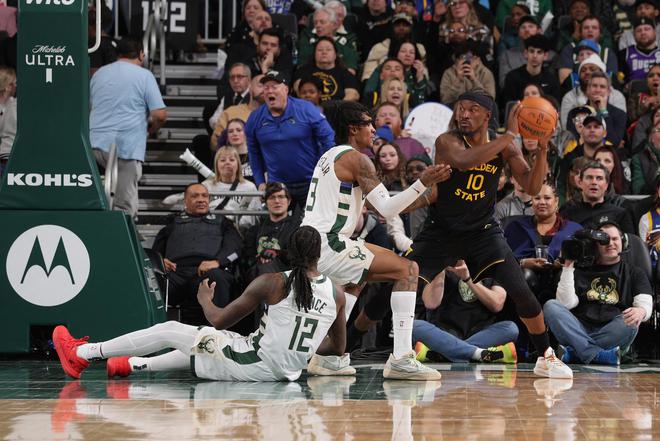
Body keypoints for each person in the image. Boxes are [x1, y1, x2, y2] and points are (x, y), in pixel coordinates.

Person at [407, 89, 573, 378]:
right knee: (395, 285)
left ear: (487, 115)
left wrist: (543, 148)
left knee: (522, 294)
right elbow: (464, 161)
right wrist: (509, 136)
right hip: (441, 232)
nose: (464, 114)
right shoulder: (447, 141)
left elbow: (533, 187)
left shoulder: (504, 146)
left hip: (482, 233)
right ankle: (343, 352)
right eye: (460, 108)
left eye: (472, 109)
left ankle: (546, 356)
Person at [52, 226, 350, 381]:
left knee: (171, 330)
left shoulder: (273, 282)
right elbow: (337, 348)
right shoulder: (336, 293)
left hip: (253, 364)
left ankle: (82, 354)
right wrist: (301, 349)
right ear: (319, 253)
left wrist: (205, 300)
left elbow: (218, 319)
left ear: (288, 251)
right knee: (205, 344)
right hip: (284, 372)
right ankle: (131, 365)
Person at [301, 100, 451, 380]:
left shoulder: (330, 156)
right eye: (368, 123)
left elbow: (388, 205)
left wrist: (429, 196)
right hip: (329, 241)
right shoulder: (357, 159)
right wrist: (423, 181)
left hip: (313, 243)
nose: (373, 129)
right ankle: (402, 359)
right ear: (353, 128)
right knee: (408, 270)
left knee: (355, 282)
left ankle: (327, 357)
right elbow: (387, 209)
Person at [544, 223, 653, 365]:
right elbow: (566, 304)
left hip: (612, 329)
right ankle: (599, 355)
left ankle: (576, 352)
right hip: (579, 328)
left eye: (615, 239)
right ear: (595, 245)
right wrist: (568, 268)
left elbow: (645, 304)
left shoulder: (634, 272)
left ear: (623, 243)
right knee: (551, 306)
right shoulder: (580, 270)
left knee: (631, 322)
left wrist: (641, 311)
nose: (610, 243)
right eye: (604, 240)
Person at [90, 37, 167, 219]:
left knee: (96, 201)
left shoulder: (99, 74)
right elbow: (160, 114)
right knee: (123, 205)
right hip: (126, 147)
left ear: (117, 54)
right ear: (141, 55)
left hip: (94, 145)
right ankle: (121, 235)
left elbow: (90, 106)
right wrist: (152, 129)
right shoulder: (144, 75)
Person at [153, 183, 243, 325]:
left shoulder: (223, 222)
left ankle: (215, 332)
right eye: (195, 196)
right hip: (175, 274)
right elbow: (155, 253)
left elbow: (235, 248)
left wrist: (218, 262)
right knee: (153, 280)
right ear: (185, 200)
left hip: (207, 272)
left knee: (217, 278)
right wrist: (161, 262)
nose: (201, 200)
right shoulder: (172, 222)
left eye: (204, 196)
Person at [245, 71, 335, 210]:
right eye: (266, 87)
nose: (269, 91)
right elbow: (253, 152)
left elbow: (328, 137)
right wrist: (260, 181)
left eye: (274, 86)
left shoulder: (306, 109)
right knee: (279, 223)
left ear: (286, 89)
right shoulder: (255, 118)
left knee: (314, 222)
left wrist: (324, 171)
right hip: (277, 186)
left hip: (311, 181)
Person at [413, 260, 519, 363]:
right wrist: (441, 268)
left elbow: (497, 304)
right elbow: (431, 303)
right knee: (415, 326)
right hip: (444, 333)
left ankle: (444, 353)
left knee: (511, 328)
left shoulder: (491, 262)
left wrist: (467, 278)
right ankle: (478, 353)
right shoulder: (437, 262)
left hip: (481, 334)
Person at [504, 183, 583, 304]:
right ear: (532, 201)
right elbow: (503, 259)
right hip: (525, 290)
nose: (542, 202)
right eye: (537, 198)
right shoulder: (516, 227)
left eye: (547, 198)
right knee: (525, 275)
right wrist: (523, 263)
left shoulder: (574, 230)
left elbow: (583, 262)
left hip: (560, 290)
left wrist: (564, 264)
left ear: (556, 201)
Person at [242, 182, 302, 283]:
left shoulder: (298, 229)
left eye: (281, 197)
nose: (277, 201)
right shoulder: (255, 230)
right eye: (272, 197)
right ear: (265, 202)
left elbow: (298, 257)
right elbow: (247, 257)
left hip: (286, 275)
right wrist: (260, 258)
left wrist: (277, 254)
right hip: (256, 275)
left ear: (289, 201)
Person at [560, 161, 635, 233]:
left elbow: (630, 240)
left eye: (599, 178)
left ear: (606, 185)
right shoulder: (567, 214)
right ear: (580, 183)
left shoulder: (620, 214)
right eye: (589, 177)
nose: (594, 182)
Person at [292, 37, 360, 102]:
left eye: (328, 50)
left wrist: (338, 107)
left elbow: (353, 95)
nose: (324, 52)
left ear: (335, 55)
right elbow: (298, 89)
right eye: (320, 50)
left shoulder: (346, 74)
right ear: (314, 54)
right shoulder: (303, 71)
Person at [0, 66, 16, 178]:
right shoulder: (14, 106)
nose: (16, 86)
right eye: (14, 83)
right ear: (8, 86)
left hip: (10, 156)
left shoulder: (15, 104)